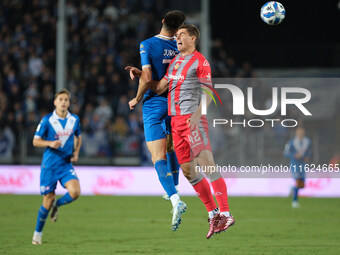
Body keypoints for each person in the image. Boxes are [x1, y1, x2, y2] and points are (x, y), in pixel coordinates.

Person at [150, 24, 235, 239]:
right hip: (175, 125)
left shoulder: (200, 61)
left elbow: (208, 91)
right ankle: (213, 212)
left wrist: (198, 114)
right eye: (176, 35)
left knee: (207, 164)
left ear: (193, 38)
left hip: (192, 121)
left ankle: (226, 212)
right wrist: (142, 76)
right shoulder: (175, 63)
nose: (176, 38)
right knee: (189, 171)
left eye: (181, 35)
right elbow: (160, 88)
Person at [125, 10, 187, 231]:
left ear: (162, 21)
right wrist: (142, 74)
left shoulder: (147, 44)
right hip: (177, 103)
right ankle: (176, 185)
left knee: (157, 156)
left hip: (154, 104)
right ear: (180, 28)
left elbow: (150, 78)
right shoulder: (183, 48)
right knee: (171, 146)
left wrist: (136, 97)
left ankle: (175, 200)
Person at [32, 89, 82, 244]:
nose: (63, 102)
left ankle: (57, 204)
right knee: (46, 200)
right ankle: (37, 234)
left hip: (65, 164)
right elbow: (35, 141)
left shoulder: (74, 119)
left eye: (66, 99)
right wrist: (49, 143)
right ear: (55, 102)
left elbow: (78, 137)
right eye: (60, 99)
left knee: (75, 192)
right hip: (50, 166)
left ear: (69, 102)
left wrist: (76, 153)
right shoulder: (47, 120)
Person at [284, 126, 311, 208]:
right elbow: (286, 153)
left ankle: (292, 189)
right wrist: (294, 155)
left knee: (302, 185)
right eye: (299, 131)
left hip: (302, 164)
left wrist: (307, 156)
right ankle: (294, 202)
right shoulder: (292, 142)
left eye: (302, 131)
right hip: (295, 164)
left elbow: (309, 151)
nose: (301, 133)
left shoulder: (307, 142)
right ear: (296, 132)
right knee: (298, 181)